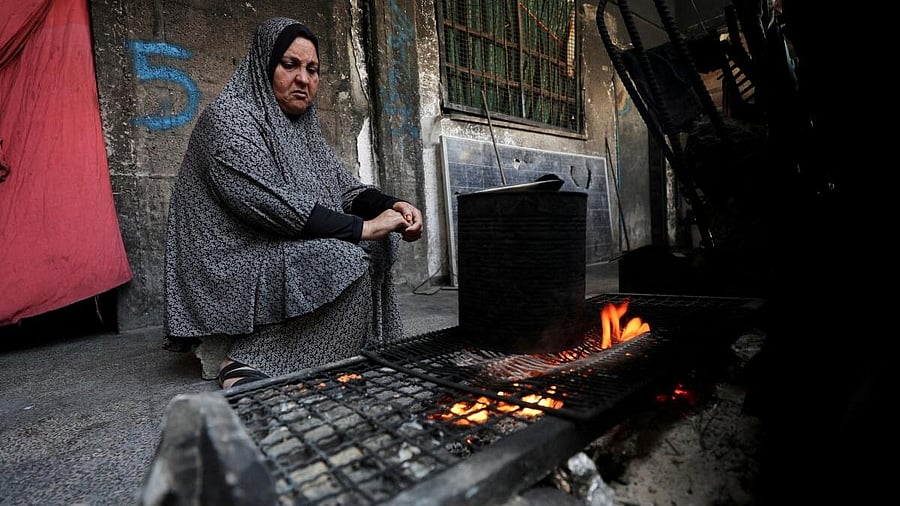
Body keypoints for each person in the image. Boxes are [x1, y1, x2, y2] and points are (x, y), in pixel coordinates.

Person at [163, 17, 423, 389]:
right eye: (290, 65)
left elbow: (346, 189)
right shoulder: (229, 121)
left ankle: (359, 342)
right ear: (264, 65)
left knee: (381, 245)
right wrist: (364, 227)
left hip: (275, 245)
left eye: (312, 69)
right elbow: (277, 207)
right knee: (344, 257)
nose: (304, 78)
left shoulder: (303, 128)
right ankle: (251, 359)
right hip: (228, 263)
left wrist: (395, 206)